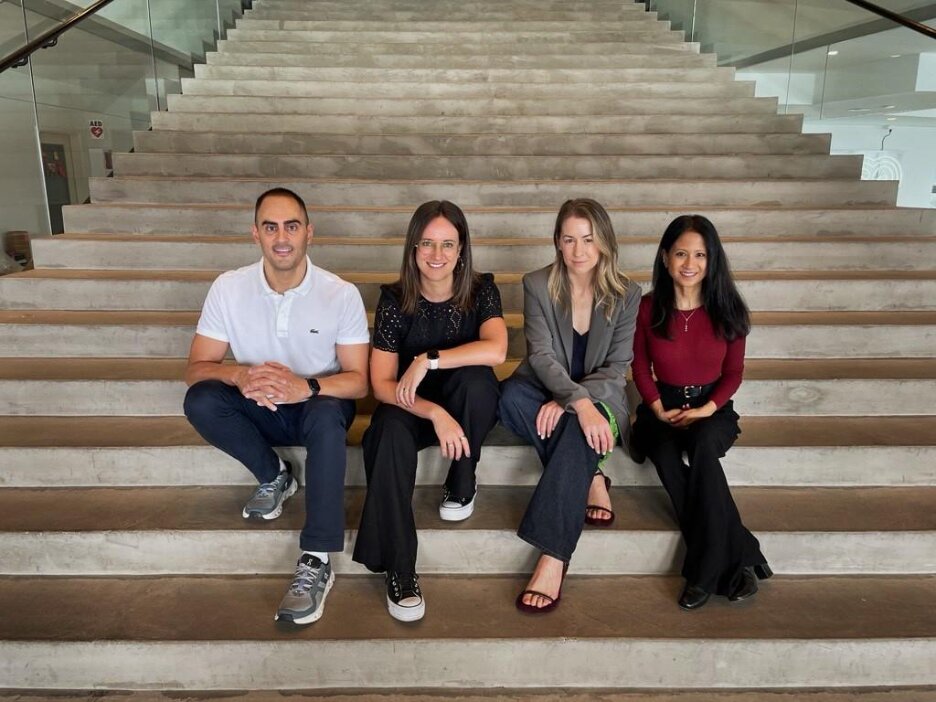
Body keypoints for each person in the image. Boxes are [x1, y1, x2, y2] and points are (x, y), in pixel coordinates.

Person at [183, 187, 370, 625]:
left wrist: (306, 386)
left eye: (291, 226)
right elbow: (196, 369)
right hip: (259, 405)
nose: (281, 237)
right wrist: (240, 376)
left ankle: (317, 557)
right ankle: (274, 475)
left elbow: (359, 381)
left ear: (309, 233)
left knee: (327, 415)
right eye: (270, 227)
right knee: (201, 399)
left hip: (316, 405)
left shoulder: (340, 293)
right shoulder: (229, 288)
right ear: (256, 234)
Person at [352, 200, 508, 622]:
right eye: (427, 243)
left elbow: (496, 350)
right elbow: (382, 385)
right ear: (413, 248)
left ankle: (462, 479)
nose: (436, 254)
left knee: (479, 384)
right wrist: (435, 413)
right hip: (410, 406)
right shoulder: (394, 300)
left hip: (465, 405)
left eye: (447, 244)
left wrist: (429, 360)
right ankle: (400, 569)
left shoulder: (481, 291)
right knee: (385, 434)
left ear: (461, 250)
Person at [499, 198, 641, 613]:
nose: (579, 251)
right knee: (508, 397)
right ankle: (592, 473)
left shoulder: (628, 294)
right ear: (557, 242)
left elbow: (618, 366)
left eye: (588, 239)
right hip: (543, 389)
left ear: (604, 242)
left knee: (581, 428)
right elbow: (541, 355)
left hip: (602, 398)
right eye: (569, 240)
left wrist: (575, 404)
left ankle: (554, 555)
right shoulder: (537, 284)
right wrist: (573, 401)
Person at [631, 214, 772, 611]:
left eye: (700, 255)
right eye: (681, 254)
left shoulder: (728, 308)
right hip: (662, 405)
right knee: (664, 454)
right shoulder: (647, 308)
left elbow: (734, 373)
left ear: (712, 260)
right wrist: (657, 408)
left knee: (704, 447)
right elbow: (639, 367)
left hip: (713, 406)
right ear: (665, 257)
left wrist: (706, 409)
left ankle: (704, 573)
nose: (689, 264)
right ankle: (741, 553)